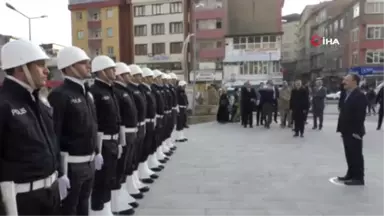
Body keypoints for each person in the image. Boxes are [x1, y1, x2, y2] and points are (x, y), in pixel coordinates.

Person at [0, 39, 61, 216]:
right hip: (23, 201)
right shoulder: (4, 104)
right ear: (21, 68)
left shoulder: (39, 102)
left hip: (51, 193)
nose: (47, 71)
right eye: (40, 65)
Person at [48, 46, 99, 216]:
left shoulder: (87, 93)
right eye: (83, 63)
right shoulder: (59, 95)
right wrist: (60, 172)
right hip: (72, 166)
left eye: (88, 62)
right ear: (69, 67)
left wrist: (97, 152)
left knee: (84, 207)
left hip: (89, 162)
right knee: (70, 209)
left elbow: (92, 125)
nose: (88, 66)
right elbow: (54, 134)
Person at [89, 55, 124, 215]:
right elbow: (93, 122)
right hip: (102, 144)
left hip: (112, 142)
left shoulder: (110, 90)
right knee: (100, 182)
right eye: (111, 69)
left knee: (109, 179)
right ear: (102, 71)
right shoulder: (94, 92)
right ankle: (98, 211)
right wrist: (96, 150)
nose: (115, 72)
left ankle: (107, 210)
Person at [111, 62, 141, 214]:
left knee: (127, 163)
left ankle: (123, 195)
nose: (130, 77)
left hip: (131, 130)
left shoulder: (125, 90)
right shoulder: (116, 91)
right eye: (127, 74)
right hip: (123, 133)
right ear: (120, 76)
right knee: (120, 167)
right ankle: (116, 202)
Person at [336, 74, 367, 186]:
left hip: (354, 131)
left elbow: (360, 116)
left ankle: (358, 178)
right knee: (349, 154)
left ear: (354, 82)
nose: (344, 82)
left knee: (356, 154)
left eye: (346, 80)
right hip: (346, 130)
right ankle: (350, 174)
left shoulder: (360, 95)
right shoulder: (346, 94)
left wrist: (357, 132)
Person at [126, 65, 150, 197]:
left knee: (138, 154)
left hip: (139, 125)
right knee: (130, 159)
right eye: (138, 75)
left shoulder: (137, 89)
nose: (141, 78)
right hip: (129, 130)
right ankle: (130, 184)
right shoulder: (129, 90)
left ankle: (135, 180)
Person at [137, 68, 159, 183]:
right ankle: (141, 172)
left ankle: (145, 168)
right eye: (150, 77)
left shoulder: (147, 89)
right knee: (143, 148)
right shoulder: (141, 89)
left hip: (150, 120)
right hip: (142, 123)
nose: (153, 79)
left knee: (150, 144)